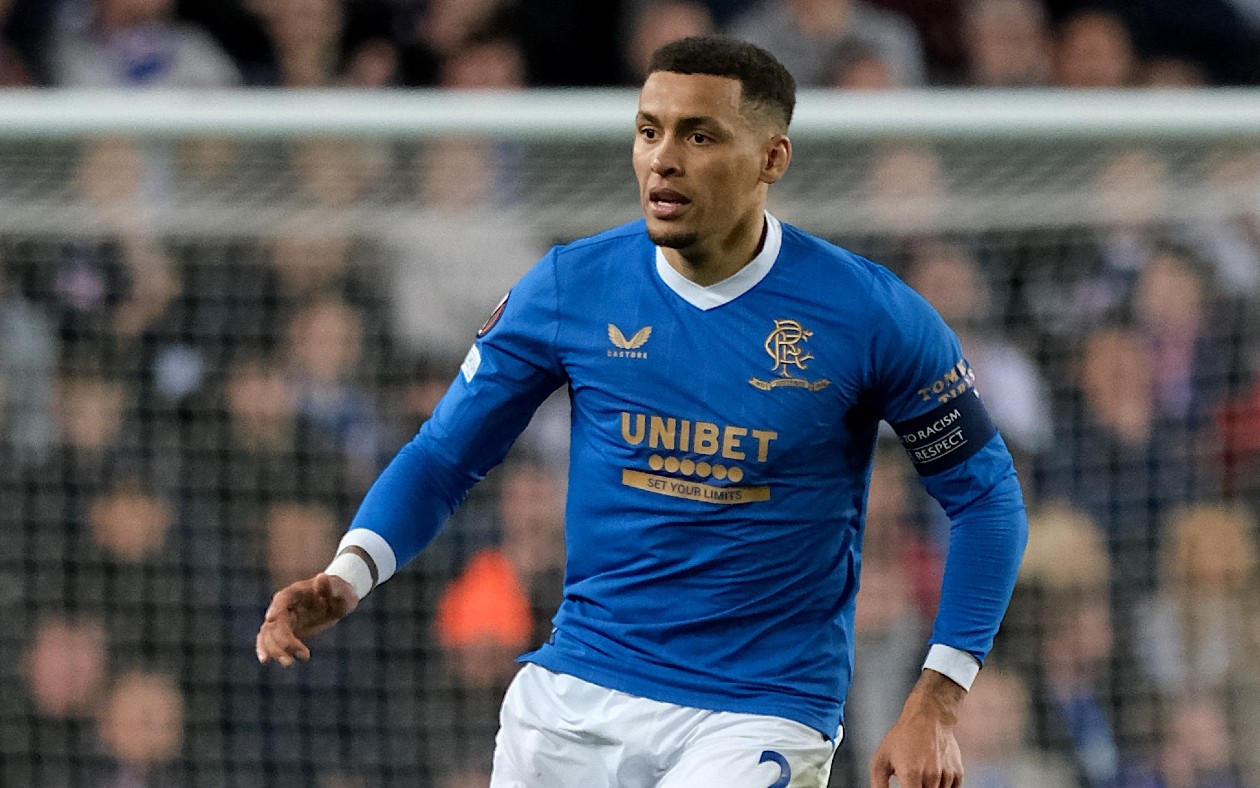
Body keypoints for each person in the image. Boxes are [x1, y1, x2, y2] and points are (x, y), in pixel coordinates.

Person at [257, 34, 1027, 788]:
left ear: (772, 158)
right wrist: (348, 573)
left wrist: (937, 701)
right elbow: (443, 457)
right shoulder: (571, 285)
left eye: (700, 135)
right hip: (576, 692)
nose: (664, 158)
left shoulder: (869, 314)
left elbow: (986, 499)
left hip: (757, 713)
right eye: (650, 131)